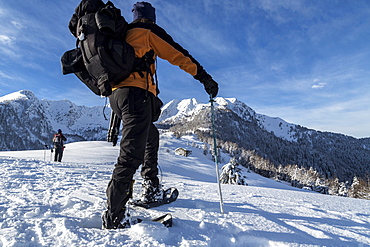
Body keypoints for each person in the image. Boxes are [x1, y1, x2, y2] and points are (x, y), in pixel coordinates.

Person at [102, 2, 219, 229]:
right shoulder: (148, 32)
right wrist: (204, 77)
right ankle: (114, 215)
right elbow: (178, 55)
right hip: (136, 96)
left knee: (150, 136)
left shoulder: (122, 34)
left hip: (117, 97)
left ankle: (151, 186)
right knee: (130, 155)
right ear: (150, 18)